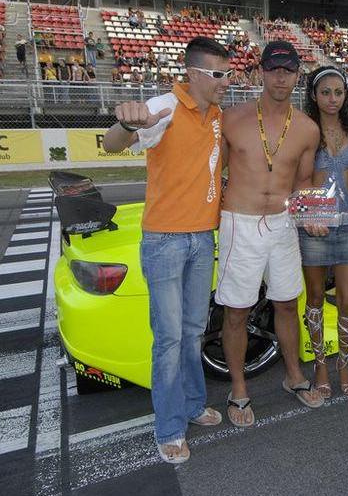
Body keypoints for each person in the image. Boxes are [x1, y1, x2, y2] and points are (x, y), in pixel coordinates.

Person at [101, 36, 231, 464]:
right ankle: (170, 427)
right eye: (218, 74)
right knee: (170, 338)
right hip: (165, 241)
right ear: (192, 73)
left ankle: (192, 405)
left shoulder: (217, 115)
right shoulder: (163, 107)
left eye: (229, 73)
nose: (226, 81)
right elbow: (112, 144)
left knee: (193, 332)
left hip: (202, 238)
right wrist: (126, 124)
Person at [217, 40, 324, 427]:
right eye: (274, 69)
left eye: (288, 70)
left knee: (286, 303)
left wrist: (311, 215)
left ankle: (293, 375)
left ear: (297, 76)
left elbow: (303, 183)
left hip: (282, 224)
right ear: (260, 72)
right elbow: (212, 174)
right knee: (236, 310)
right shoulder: (231, 118)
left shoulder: (307, 129)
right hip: (240, 222)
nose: (281, 77)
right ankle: (239, 388)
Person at [300, 65, 348, 399]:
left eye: (338, 92)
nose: (332, 99)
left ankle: (343, 363)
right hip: (315, 226)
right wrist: (307, 216)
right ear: (314, 95)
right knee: (314, 298)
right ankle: (320, 364)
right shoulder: (304, 129)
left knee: (347, 299)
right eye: (325, 92)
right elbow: (296, 177)